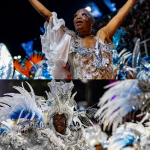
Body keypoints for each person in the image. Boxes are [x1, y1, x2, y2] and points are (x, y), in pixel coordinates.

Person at [28, 0, 136, 79]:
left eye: (84, 14)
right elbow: (48, 15)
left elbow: (120, 14)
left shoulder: (102, 36)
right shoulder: (70, 40)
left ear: (92, 21)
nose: (78, 17)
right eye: (76, 16)